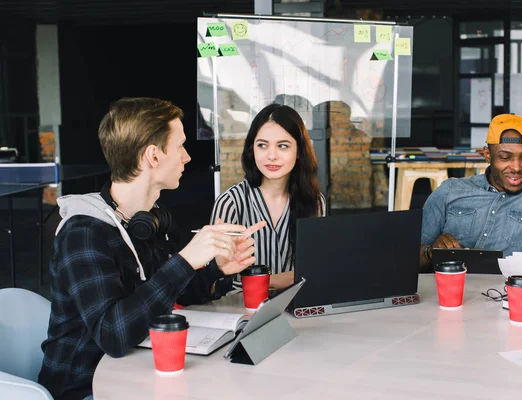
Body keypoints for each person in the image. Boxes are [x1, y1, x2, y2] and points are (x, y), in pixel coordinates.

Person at [38, 97, 265, 400]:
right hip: (87, 389)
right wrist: (185, 260)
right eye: (180, 146)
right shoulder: (84, 232)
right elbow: (114, 335)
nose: (186, 157)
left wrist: (216, 267)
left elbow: (167, 295)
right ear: (153, 156)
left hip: (140, 375)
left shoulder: (146, 219)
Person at [419, 113, 522, 270]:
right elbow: (409, 258)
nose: (517, 167)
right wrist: (430, 252)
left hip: (509, 291)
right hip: (451, 287)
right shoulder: (450, 191)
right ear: (487, 155)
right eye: (505, 157)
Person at [210, 103, 325, 290]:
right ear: (252, 149)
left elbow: (316, 270)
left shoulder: (315, 201)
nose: (271, 156)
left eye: (283, 146)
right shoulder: (230, 202)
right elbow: (218, 281)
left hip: (297, 307)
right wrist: (283, 279)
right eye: (262, 145)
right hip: (241, 311)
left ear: (299, 152)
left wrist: (261, 280)